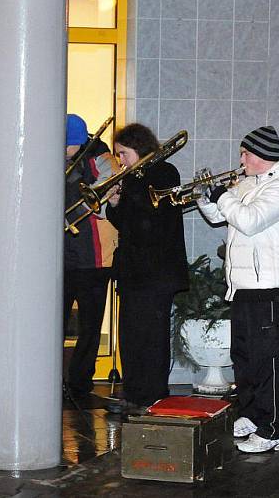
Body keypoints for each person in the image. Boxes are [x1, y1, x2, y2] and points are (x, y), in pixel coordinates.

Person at [197, 125, 279, 453]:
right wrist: (206, 195)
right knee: (243, 355)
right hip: (243, 283)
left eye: (245, 154)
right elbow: (219, 217)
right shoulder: (249, 182)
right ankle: (252, 415)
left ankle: (275, 430)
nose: (240, 159)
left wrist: (224, 196)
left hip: (268, 285)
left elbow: (249, 220)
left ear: (261, 157)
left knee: (267, 359)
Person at [105, 123, 188, 414]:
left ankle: (153, 395)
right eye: (118, 155)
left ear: (139, 148)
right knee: (130, 335)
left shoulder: (165, 171)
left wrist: (128, 190)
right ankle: (133, 392)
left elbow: (154, 219)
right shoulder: (131, 178)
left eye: (123, 154)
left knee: (151, 336)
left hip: (157, 272)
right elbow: (128, 224)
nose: (120, 161)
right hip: (132, 271)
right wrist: (114, 204)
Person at [63, 114, 119, 398]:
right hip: (62, 255)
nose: (64, 151)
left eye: (68, 146)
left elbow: (109, 190)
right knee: (55, 324)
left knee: (90, 326)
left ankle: (80, 382)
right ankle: (55, 378)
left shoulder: (103, 158)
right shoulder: (56, 158)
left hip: (96, 256)